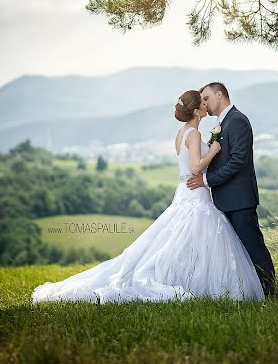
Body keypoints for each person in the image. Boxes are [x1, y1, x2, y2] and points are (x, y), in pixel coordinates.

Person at [32, 89, 265, 304]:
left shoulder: (182, 133)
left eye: (207, 100)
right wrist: (213, 150)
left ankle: (191, 277)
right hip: (195, 194)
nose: (206, 105)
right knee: (193, 240)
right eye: (202, 102)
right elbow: (195, 168)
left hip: (186, 193)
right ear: (196, 111)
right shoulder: (193, 134)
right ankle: (196, 281)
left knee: (183, 241)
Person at [187, 82, 275, 297]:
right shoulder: (222, 123)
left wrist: (207, 180)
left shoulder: (237, 121)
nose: (204, 103)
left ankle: (269, 291)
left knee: (252, 247)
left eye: (206, 98)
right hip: (225, 199)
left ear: (220, 95)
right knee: (237, 250)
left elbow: (237, 161)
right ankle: (248, 290)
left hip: (239, 199)